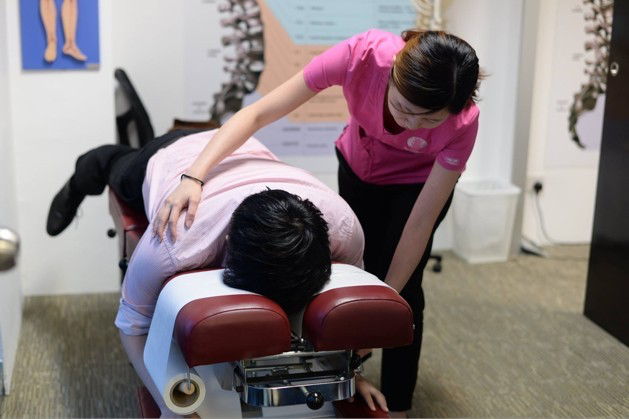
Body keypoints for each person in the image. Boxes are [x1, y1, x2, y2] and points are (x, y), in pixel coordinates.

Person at [153, 29, 483, 416]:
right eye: (403, 107)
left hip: (416, 186)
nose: (411, 123)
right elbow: (258, 113)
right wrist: (194, 176)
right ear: (393, 70)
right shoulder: (361, 56)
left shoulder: (463, 123)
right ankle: (346, 373)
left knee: (404, 290)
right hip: (359, 168)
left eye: (429, 119)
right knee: (352, 274)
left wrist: (384, 309)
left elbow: (421, 222)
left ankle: (397, 403)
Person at [46, 128, 387, 416]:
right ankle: (81, 177)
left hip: (247, 150)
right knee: (113, 166)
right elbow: (131, 325)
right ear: (226, 244)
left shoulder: (344, 228)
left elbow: (349, 317)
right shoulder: (173, 241)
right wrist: (168, 406)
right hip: (174, 156)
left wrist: (352, 373)